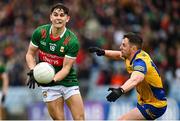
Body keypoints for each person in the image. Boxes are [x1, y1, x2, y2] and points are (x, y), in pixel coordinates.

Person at [25, 3, 84, 120]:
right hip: (49, 84)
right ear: (50, 17)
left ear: (67, 19)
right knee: (58, 119)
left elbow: (66, 69)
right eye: (55, 14)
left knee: (80, 118)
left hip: (68, 81)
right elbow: (30, 54)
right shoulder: (40, 32)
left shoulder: (72, 41)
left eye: (62, 15)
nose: (58, 18)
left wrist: (52, 79)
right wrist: (33, 70)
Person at [88, 32, 167, 120]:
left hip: (155, 105)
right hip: (145, 102)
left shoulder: (140, 61)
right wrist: (103, 52)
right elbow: (118, 54)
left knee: (122, 120)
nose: (120, 47)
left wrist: (121, 90)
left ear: (133, 48)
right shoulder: (130, 55)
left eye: (124, 45)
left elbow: (136, 78)